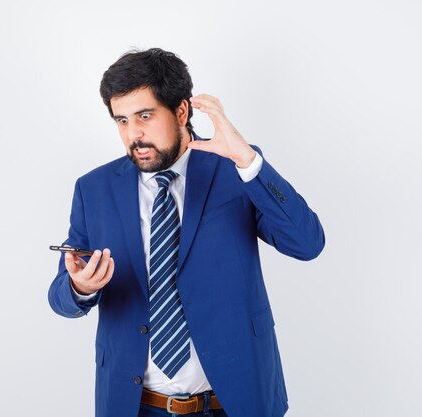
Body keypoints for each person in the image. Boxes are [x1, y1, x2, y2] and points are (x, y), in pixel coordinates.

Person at [48, 48, 325, 417]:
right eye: (122, 121)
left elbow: (307, 243)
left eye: (144, 116)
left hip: (234, 402)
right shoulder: (94, 189)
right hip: (135, 405)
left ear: (181, 111)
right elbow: (60, 297)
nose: (134, 134)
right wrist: (81, 287)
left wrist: (247, 160)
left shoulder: (233, 170)